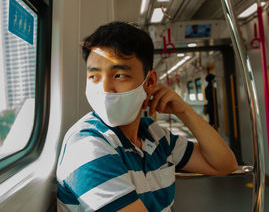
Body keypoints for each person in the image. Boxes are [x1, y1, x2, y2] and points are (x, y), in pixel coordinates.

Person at [56, 22, 237, 211]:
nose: (104, 89)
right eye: (94, 77)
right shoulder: (87, 145)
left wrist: (184, 111)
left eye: (118, 75)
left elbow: (225, 164)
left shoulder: (154, 134)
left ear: (149, 82)